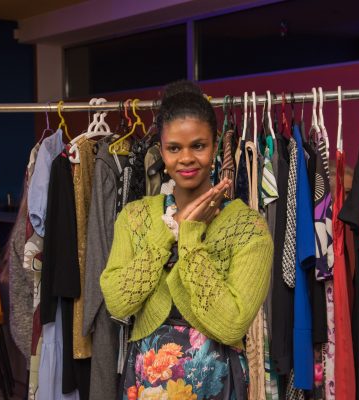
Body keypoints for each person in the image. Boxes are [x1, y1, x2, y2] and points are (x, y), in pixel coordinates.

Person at [100, 81, 273, 399]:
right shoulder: (135, 217)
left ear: (215, 146)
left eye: (198, 145)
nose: (186, 158)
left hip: (216, 380)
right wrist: (170, 230)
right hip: (148, 380)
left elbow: (232, 324)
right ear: (161, 151)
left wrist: (190, 237)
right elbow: (118, 301)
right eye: (174, 148)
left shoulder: (249, 227)